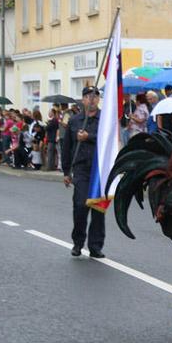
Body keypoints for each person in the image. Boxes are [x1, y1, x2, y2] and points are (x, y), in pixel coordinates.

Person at [62, 86, 106, 259]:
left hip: (99, 170)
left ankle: (95, 246)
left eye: (95, 96)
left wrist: (89, 137)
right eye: (88, 96)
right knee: (80, 206)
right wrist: (66, 171)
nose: (92, 99)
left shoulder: (105, 119)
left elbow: (107, 140)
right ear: (82, 100)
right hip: (81, 169)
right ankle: (78, 242)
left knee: (98, 209)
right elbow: (67, 147)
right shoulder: (74, 121)